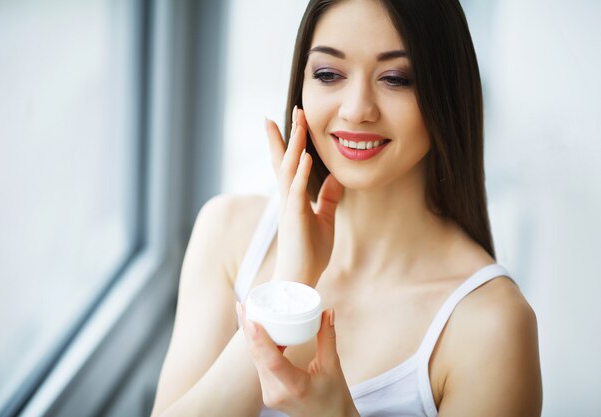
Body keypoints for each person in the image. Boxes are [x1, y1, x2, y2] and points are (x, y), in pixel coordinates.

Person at [150, 0, 543, 416]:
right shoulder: (228, 233)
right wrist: (288, 283)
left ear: (447, 91)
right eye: (328, 74)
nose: (357, 109)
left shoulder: (491, 325)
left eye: (396, 78)